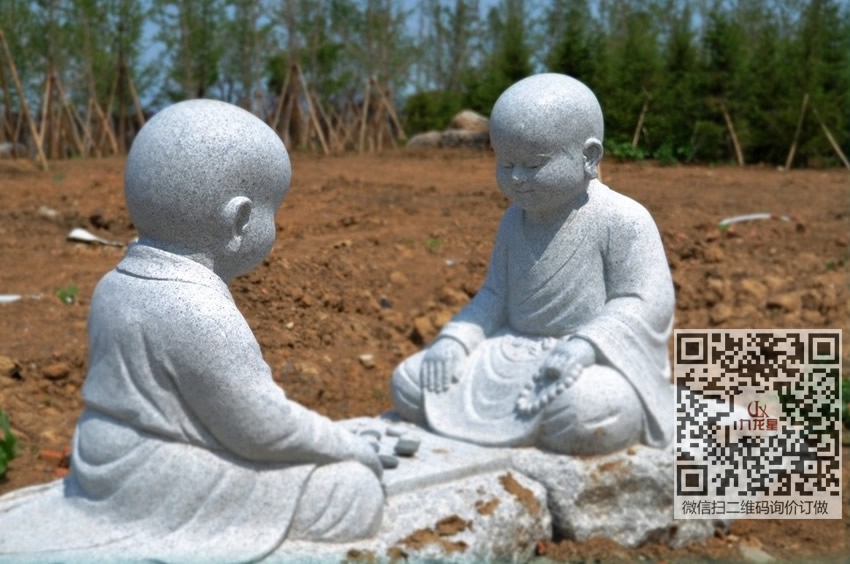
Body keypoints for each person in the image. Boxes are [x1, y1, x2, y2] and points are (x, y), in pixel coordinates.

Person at [0, 100, 383, 562]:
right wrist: (346, 444)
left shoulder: (112, 286)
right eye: (274, 213)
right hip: (158, 478)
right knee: (352, 491)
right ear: (240, 221)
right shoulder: (202, 312)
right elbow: (259, 429)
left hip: (98, 459)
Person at [392, 74, 675, 456]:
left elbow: (646, 300)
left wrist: (585, 345)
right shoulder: (513, 220)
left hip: (584, 359)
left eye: (533, 164)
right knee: (410, 381)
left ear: (589, 157)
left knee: (586, 410)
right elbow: (495, 294)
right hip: (507, 355)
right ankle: (522, 422)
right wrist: (455, 340)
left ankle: (571, 412)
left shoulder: (622, 219)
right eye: (506, 163)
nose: (516, 178)